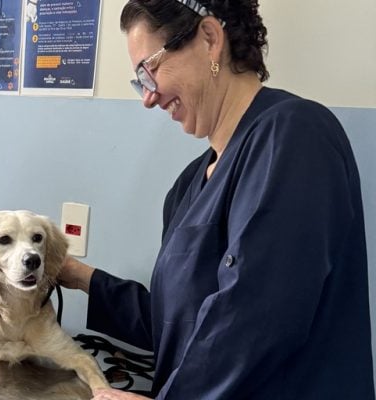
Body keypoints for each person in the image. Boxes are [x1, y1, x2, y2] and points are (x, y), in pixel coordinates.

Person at [58, 0, 374, 399]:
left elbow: (256, 320)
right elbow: (176, 325)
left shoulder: (294, 135)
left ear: (209, 38)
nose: (149, 98)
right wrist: (72, 273)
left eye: (149, 71)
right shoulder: (188, 185)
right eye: (140, 82)